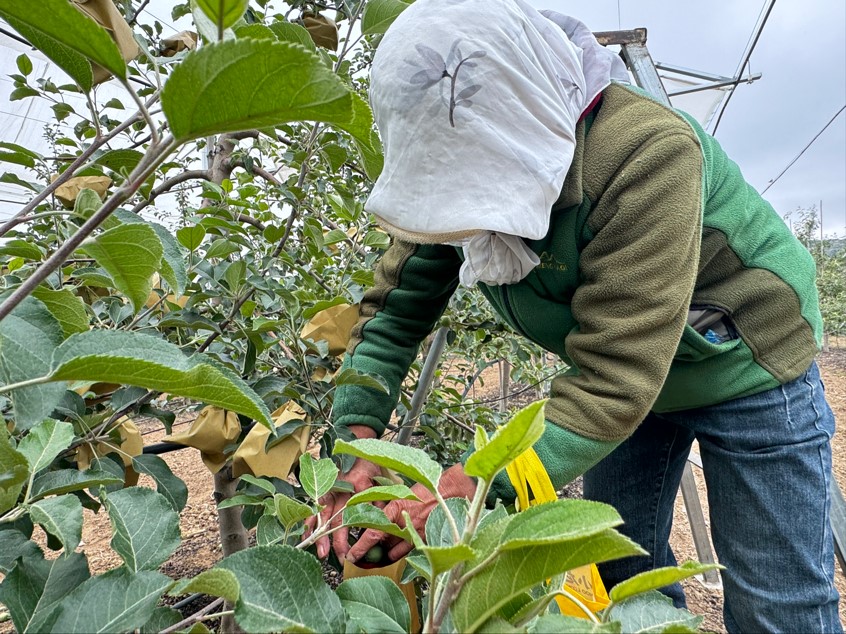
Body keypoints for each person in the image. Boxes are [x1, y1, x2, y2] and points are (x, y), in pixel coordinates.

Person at [308, 0, 843, 631]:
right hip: (620, 377)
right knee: (617, 568)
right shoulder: (450, 173)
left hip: (746, 364)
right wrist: (356, 447)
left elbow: (616, 376)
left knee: (776, 604)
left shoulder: (643, 155)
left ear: (523, 127)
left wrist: (469, 492)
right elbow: (393, 317)